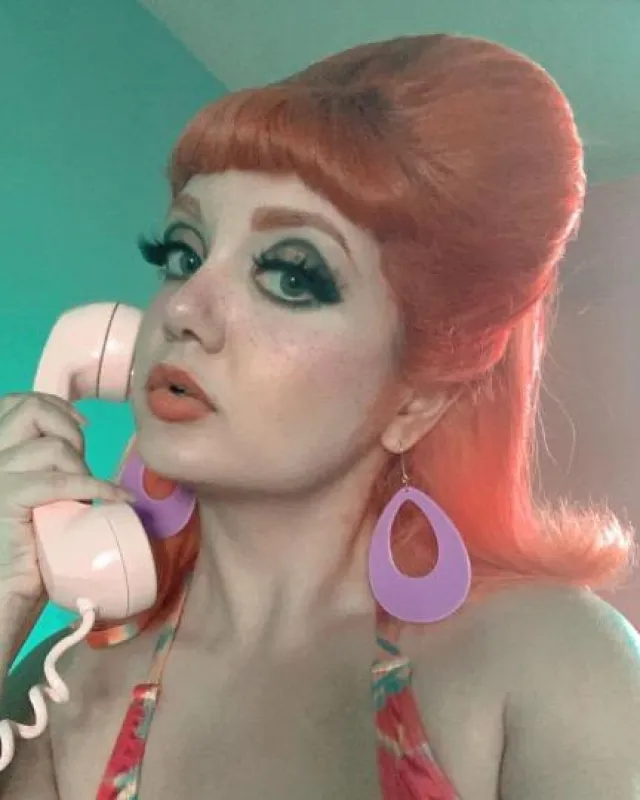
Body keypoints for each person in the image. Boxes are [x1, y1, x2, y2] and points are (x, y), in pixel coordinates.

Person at [0, 33, 639, 800]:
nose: (185, 309)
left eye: (291, 277)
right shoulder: (67, 689)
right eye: (182, 253)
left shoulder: (549, 662)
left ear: (417, 399)